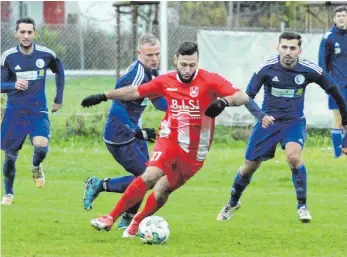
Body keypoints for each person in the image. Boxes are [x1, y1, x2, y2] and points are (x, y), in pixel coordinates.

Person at [81, 41, 249, 236]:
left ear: (197, 62)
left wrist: (223, 101)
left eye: (192, 65)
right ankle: (110, 217)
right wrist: (104, 95)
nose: (187, 70)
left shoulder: (210, 80)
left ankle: (136, 222)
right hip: (169, 139)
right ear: (175, 60)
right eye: (184, 64)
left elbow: (242, 96)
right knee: (150, 175)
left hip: (195, 151)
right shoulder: (166, 81)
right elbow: (136, 90)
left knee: (161, 192)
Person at [216, 32, 347, 223]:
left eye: (292, 48)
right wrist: (261, 116)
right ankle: (232, 202)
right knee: (248, 168)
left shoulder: (308, 69)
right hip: (267, 123)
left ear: (299, 50)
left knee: (293, 157)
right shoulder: (266, 68)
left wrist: (345, 117)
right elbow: (247, 97)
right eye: (284, 47)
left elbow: (333, 88)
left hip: (293, 122)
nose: (288, 52)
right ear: (277, 47)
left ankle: (302, 206)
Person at [83, 33, 167, 230]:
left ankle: (127, 221)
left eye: (157, 54)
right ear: (139, 53)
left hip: (133, 134)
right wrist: (137, 131)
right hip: (119, 136)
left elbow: (157, 100)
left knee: (148, 176)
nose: (154, 59)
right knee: (145, 178)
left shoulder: (151, 72)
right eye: (149, 55)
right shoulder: (135, 75)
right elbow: (116, 109)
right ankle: (99, 185)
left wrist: (181, 106)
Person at [1, 17, 65, 204]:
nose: (26, 35)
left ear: (34, 33)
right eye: (22, 32)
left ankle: (36, 165)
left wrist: (58, 99)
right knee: (11, 156)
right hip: (15, 112)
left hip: (38, 111)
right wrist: (13, 85)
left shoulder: (46, 54)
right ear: (16, 34)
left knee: (41, 144)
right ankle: (9, 194)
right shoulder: (8, 57)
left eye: (30, 32)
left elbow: (59, 71)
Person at [318, 6, 347, 158]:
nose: (342, 18)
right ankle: (337, 155)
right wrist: (326, 84)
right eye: (339, 16)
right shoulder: (328, 37)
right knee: (339, 118)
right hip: (337, 85)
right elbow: (322, 64)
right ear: (334, 19)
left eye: (344, 15)